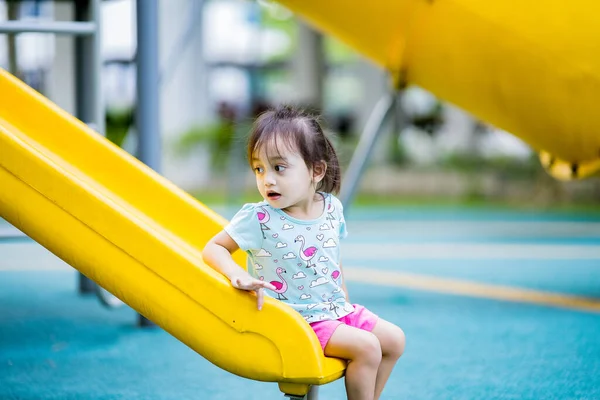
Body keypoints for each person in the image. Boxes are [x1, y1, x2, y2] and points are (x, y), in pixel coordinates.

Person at [202, 105, 405, 400]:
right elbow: (214, 247)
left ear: (316, 170)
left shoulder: (331, 208)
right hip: (298, 319)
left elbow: (334, 259)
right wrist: (237, 275)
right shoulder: (259, 218)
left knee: (394, 340)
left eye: (279, 167)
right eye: (259, 169)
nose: (267, 179)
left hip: (334, 310)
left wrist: (344, 303)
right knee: (367, 347)